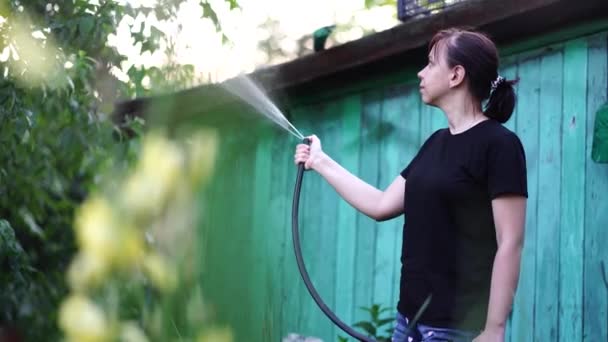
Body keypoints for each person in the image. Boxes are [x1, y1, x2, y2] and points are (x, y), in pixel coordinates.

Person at [293, 27, 527, 342]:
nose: (421, 72)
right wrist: (320, 161)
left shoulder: (499, 145)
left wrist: (494, 329)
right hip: (409, 323)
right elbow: (380, 205)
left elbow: (510, 241)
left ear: (456, 75)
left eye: (431, 63)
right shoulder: (436, 143)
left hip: (456, 329)